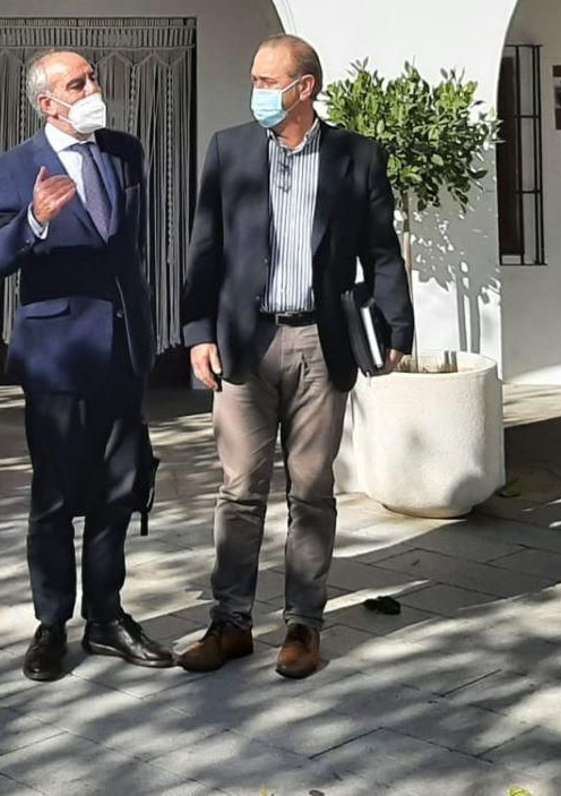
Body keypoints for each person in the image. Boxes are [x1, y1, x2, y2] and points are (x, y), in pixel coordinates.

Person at [177, 34, 413, 681]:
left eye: (266, 80)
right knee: (239, 490)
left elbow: (381, 249)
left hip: (320, 342)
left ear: (303, 87)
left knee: (311, 491)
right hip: (242, 342)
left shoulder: (356, 157)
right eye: (253, 79)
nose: (255, 91)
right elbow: (206, 248)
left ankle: (303, 626)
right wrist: (198, 329)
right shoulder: (229, 150)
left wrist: (398, 325)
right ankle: (229, 623)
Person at [0, 49, 172, 683]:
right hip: (58, 356)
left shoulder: (124, 152)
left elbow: (128, 249)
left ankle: (107, 617)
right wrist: (34, 219)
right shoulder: (16, 165)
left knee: (120, 489)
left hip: (123, 349)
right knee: (56, 497)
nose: (93, 88)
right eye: (78, 82)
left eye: (93, 78)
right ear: (47, 102)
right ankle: (52, 623)